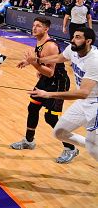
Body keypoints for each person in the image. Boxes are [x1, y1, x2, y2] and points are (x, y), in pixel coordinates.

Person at [28, 27, 98, 162]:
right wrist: (35, 60)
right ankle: (91, 145)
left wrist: (49, 94)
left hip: (95, 105)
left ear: (88, 41)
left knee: (94, 151)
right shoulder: (73, 49)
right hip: (83, 103)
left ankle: (92, 146)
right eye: (73, 36)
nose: (72, 40)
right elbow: (58, 57)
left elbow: (83, 93)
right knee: (59, 132)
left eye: (78, 37)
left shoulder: (94, 60)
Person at [13, 18, 78, 163]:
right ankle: (29, 141)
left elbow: (50, 72)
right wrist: (29, 61)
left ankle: (71, 148)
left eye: (38, 26)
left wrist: (33, 64)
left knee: (50, 117)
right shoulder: (40, 41)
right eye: (34, 25)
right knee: (33, 107)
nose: (34, 28)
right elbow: (41, 60)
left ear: (46, 29)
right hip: (46, 81)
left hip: (58, 83)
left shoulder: (50, 46)